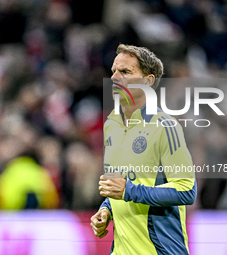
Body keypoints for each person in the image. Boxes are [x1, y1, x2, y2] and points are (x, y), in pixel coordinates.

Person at [90, 44, 196, 254]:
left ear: (148, 81)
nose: (114, 78)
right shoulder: (111, 124)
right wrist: (106, 210)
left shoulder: (165, 126)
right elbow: (121, 184)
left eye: (125, 72)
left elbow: (186, 189)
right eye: (113, 71)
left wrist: (128, 191)